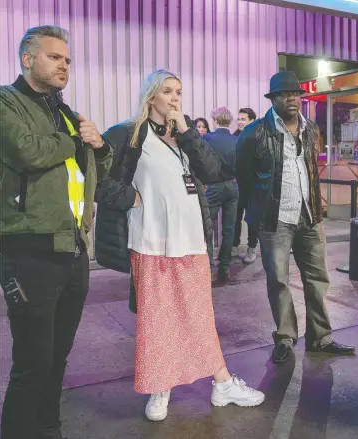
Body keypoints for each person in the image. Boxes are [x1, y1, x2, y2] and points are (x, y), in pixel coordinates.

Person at [94, 69, 264, 423]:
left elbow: (215, 172)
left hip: (191, 243)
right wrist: (132, 198)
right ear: (151, 95)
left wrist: (188, 134)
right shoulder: (128, 134)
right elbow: (98, 180)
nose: (175, 98)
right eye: (168, 91)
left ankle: (221, 383)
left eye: (179, 92)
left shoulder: (185, 136)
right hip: (152, 243)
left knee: (198, 316)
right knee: (157, 319)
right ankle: (161, 387)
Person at [0, 25, 113, 439]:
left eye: (67, 59)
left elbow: (96, 170)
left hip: (73, 248)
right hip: (29, 247)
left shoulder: (65, 112)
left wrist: (99, 146)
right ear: (28, 59)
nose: (64, 64)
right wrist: (72, 139)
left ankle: (48, 428)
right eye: (54, 57)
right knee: (32, 359)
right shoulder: (5, 102)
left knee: (59, 356)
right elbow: (28, 151)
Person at [236, 71, 356, 364]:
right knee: (278, 280)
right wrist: (257, 214)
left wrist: (317, 211)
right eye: (284, 94)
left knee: (318, 279)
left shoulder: (311, 129)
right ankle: (286, 338)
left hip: (310, 217)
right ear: (273, 98)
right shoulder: (255, 133)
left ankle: (320, 337)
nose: (291, 98)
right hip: (275, 220)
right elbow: (244, 178)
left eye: (295, 94)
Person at [204, 106, 239, 283]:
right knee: (229, 229)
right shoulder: (236, 140)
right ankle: (225, 269)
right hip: (233, 186)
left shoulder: (207, 138)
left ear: (215, 120)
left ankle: (209, 269)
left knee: (207, 229)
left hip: (213, 186)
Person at [232, 107, 259, 263]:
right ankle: (234, 246)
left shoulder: (258, 137)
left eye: (243, 119)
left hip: (252, 186)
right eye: (239, 119)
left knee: (251, 219)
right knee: (234, 218)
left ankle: (252, 248)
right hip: (236, 185)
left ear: (252, 121)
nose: (240, 122)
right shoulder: (234, 137)